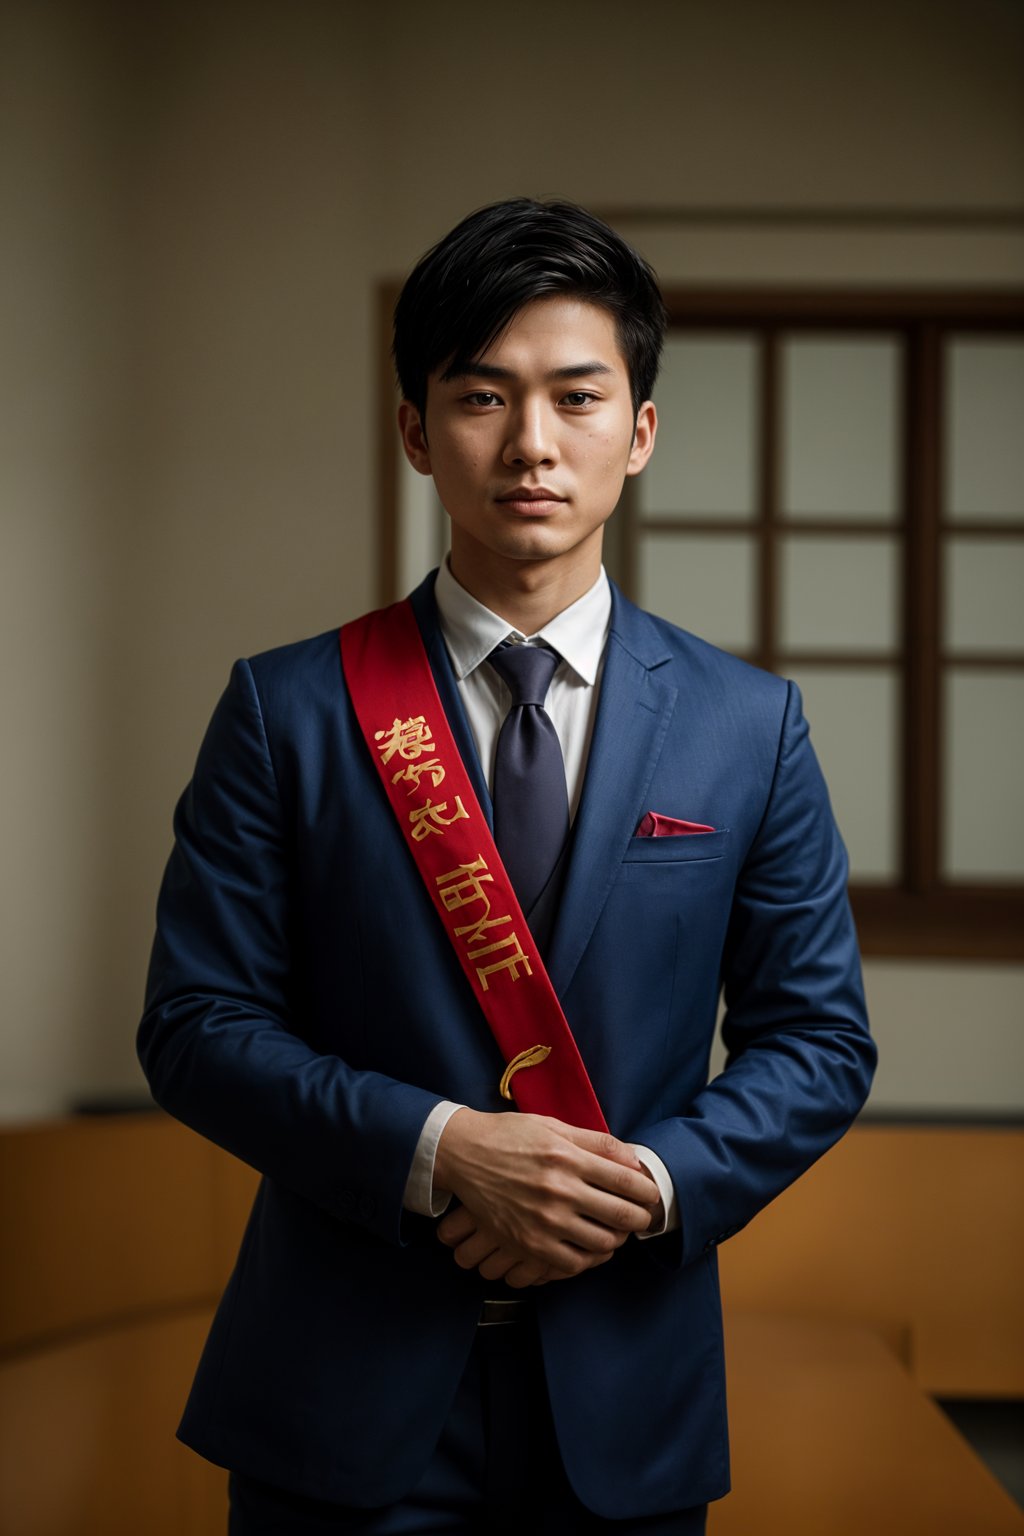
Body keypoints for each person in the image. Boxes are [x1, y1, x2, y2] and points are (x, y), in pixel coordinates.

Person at [138, 198, 876, 1534]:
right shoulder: (288, 710)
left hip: (626, 1392)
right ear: (418, 430)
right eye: (483, 397)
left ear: (639, 432)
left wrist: (643, 1188)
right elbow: (195, 1028)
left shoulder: (744, 725)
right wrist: (443, 1149)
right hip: (338, 1397)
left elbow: (819, 1042)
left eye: (577, 397)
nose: (532, 444)